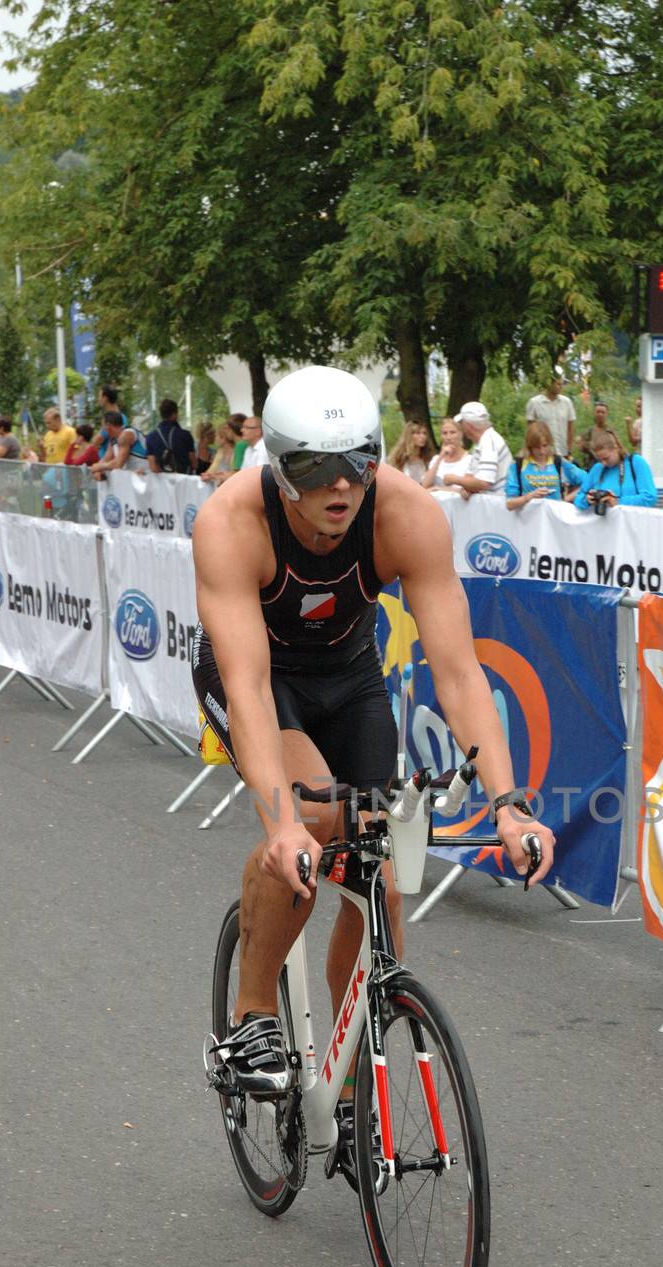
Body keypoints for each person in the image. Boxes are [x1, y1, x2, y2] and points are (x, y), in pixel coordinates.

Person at [191, 365, 554, 1098]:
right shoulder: (231, 522)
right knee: (314, 818)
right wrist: (284, 821)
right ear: (279, 469)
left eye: (357, 464)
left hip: (349, 676)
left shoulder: (407, 514)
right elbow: (250, 686)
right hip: (261, 681)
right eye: (315, 469)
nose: (340, 487)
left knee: (381, 882)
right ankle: (252, 1015)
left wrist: (509, 803)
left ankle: (352, 1080)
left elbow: (457, 674)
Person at [504, 421, 584, 510]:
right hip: (528, 519)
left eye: (545, 446)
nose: (542, 451)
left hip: (554, 518)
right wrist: (530, 496)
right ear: (529, 446)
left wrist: (565, 499)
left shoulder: (559, 462)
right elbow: (509, 504)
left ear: (550, 443)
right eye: (537, 447)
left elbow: (588, 481)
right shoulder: (518, 464)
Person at [574, 427, 657, 511]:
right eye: (599, 460)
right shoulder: (597, 468)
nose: (603, 463)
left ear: (616, 448)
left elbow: (649, 497)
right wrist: (587, 500)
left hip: (632, 522)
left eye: (606, 458)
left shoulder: (636, 462)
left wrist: (618, 501)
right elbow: (578, 498)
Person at [443, 401, 512, 495]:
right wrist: (466, 488)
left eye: (461, 423)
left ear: (468, 425)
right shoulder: (483, 442)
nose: (461, 427)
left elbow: (484, 482)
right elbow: (471, 477)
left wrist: (453, 479)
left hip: (497, 503)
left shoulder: (489, 443)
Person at [525, 377, 575, 458]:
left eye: (562, 384)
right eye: (558, 384)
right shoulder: (534, 403)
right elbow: (530, 430)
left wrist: (569, 450)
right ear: (549, 383)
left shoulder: (567, 402)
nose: (561, 387)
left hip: (563, 453)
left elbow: (570, 428)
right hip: (543, 454)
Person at [89, 411, 149, 477]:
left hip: (147, 477)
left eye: (103, 427)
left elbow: (118, 464)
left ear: (108, 426)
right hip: (134, 480)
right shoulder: (113, 439)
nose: (102, 430)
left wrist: (99, 467)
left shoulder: (127, 434)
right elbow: (105, 459)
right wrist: (97, 471)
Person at [147, 398, 197, 475]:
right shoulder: (185, 435)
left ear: (161, 414)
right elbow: (194, 464)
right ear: (174, 414)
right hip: (183, 482)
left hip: (163, 484)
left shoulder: (150, 437)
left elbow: (153, 467)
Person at [421, 417, 470, 491]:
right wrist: (440, 457)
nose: (448, 437)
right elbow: (425, 485)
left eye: (453, 432)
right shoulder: (436, 459)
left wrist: (438, 488)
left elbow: (467, 490)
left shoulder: (469, 460)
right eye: (445, 433)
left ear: (461, 434)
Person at [201, 418, 241, 484]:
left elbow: (235, 473)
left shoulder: (236, 451)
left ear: (223, 438)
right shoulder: (220, 451)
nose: (215, 438)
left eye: (217, 436)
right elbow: (213, 468)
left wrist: (212, 476)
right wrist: (207, 474)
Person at [575, 400, 610, 466]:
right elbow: (579, 444)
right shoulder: (590, 431)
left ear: (607, 414)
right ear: (594, 413)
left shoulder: (610, 431)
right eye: (598, 412)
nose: (600, 414)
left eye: (603, 412)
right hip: (593, 466)